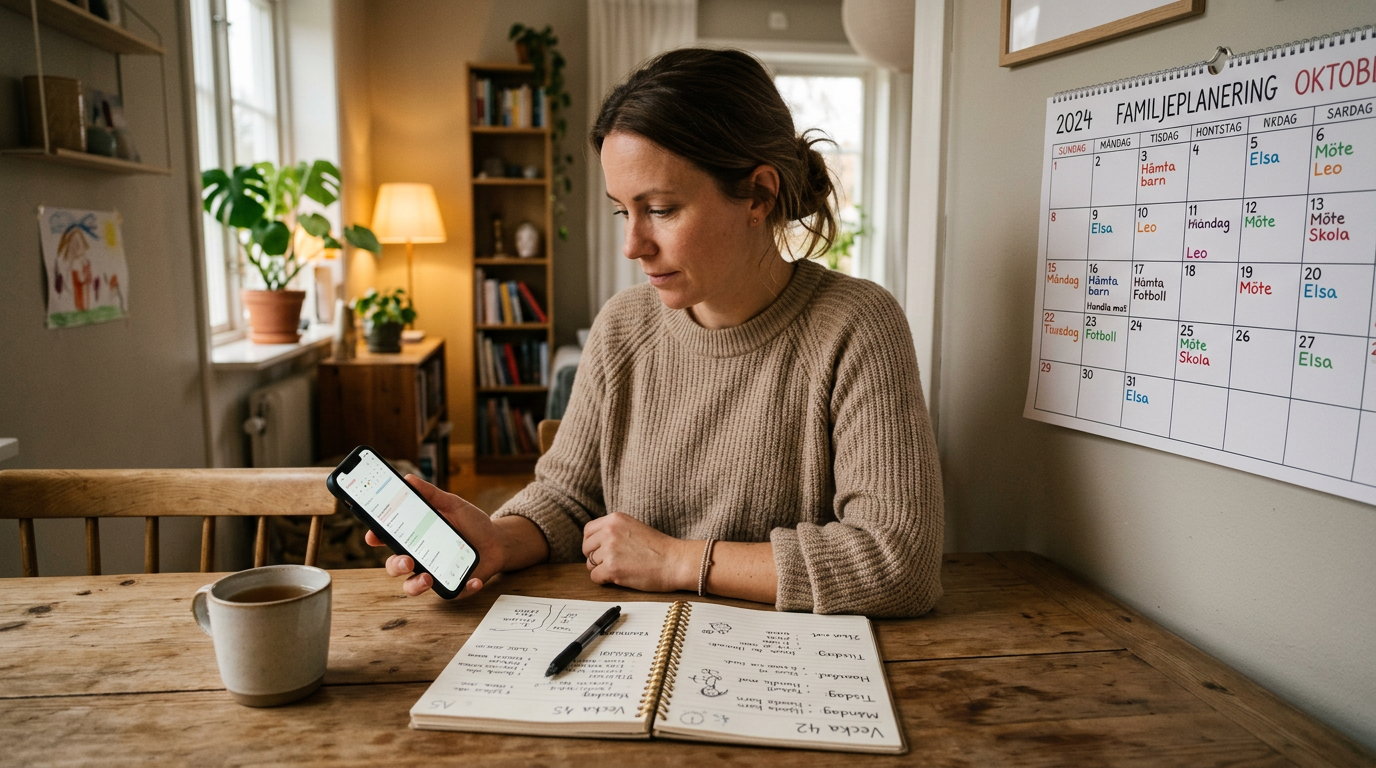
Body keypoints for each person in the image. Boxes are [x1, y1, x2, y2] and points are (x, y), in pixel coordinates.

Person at [371, 48, 944, 617]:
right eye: (624, 211)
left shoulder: (857, 327)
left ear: (759, 195)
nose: (633, 245)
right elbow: (568, 501)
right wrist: (497, 539)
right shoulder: (623, 325)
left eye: (662, 209)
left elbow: (900, 561)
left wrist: (677, 561)